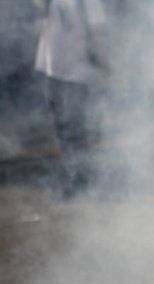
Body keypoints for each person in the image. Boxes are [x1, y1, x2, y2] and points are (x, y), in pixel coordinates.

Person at [34, 0, 110, 196]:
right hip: (53, 71)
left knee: (74, 130)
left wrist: (105, 68)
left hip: (77, 73)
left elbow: (99, 33)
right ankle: (75, 176)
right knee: (62, 129)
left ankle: (81, 181)